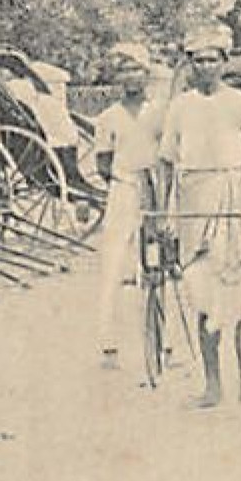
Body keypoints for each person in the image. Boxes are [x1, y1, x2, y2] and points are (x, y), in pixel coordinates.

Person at [157, 25, 241, 408]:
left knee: (239, 296)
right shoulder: (180, 106)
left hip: (232, 197)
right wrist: (165, 211)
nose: (205, 66)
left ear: (223, 63)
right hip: (192, 202)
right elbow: (168, 161)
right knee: (201, 293)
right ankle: (213, 386)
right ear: (190, 66)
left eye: (212, 59)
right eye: (198, 60)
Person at [91, 44, 166, 371]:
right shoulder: (109, 117)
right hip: (123, 191)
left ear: (146, 74)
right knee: (113, 263)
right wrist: (125, 184)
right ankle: (109, 343)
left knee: (161, 264)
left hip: (156, 191)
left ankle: (166, 341)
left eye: (136, 70)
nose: (131, 77)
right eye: (124, 71)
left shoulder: (161, 111)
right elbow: (103, 163)